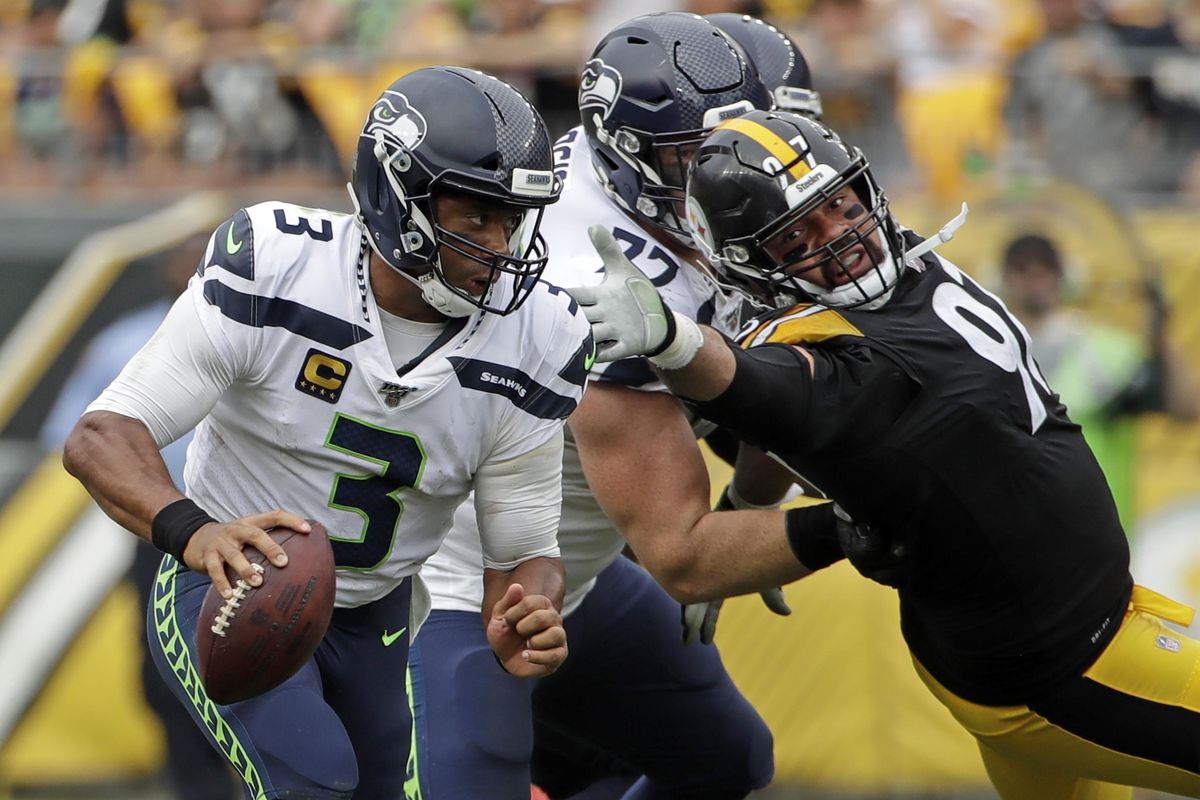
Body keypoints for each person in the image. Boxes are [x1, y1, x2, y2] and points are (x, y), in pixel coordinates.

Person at [566, 108, 1200, 798]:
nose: (841, 237)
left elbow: (774, 424)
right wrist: (672, 342)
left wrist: (750, 499)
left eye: (839, 205)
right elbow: (758, 387)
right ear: (749, 262)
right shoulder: (825, 356)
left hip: (1045, 634)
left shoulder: (906, 265)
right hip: (1069, 664)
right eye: (797, 236)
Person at [62, 66, 592, 800]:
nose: (501, 245)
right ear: (397, 198)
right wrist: (197, 533)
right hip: (228, 586)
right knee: (314, 784)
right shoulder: (279, 265)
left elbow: (522, 550)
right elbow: (100, 435)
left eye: (513, 219)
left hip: (377, 615)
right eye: (475, 217)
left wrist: (526, 611)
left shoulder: (540, 335)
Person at [410, 13, 777, 800]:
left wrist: (756, 490)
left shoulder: (649, 200)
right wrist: (858, 530)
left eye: (729, 147)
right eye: (691, 158)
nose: (720, 174)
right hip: (466, 585)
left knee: (729, 760)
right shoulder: (589, 278)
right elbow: (681, 554)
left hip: (576, 572)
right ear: (631, 154)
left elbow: (772, 393)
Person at [40, 234, 239, 800]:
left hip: (258, 529)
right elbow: (76, 438)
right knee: (165, 673)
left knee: (275, 666)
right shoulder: (123, 341)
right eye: (180, 256)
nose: (189, 265)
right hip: (162, 530)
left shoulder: (267, 334)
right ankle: (197, 788)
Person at [1000, 232, 1199, 529]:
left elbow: (1187, 407)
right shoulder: (986, 353)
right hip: (1014, 541)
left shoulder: (1108, 353)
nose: (1035, 277)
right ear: (1002, 279)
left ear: (1066, 276)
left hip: (1098, 541)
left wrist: (1160, 335)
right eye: (1022, 269)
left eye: (1045, 268)